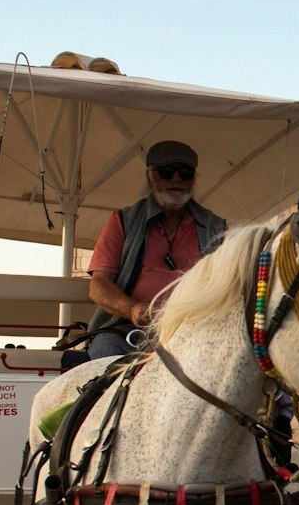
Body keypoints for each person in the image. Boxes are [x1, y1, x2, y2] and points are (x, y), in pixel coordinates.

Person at [86, 140, 227, 358]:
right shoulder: (124, 220)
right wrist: (132, 309)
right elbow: (98, 286)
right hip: (128, 331)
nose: (176, 179)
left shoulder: (216, 227)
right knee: (105, 358)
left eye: (185, 173)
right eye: (167, 172)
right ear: (150, 178)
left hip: (195, 332)